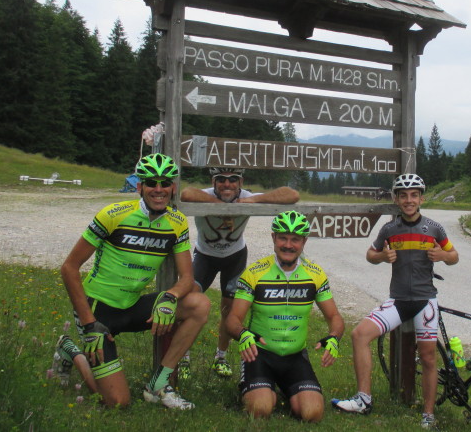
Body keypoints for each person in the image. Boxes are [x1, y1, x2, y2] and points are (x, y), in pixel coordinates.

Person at [54, 153, 210, 409]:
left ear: (173, 187)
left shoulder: (177, 222)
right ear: (140, 187)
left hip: (132, 306)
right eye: (151, 183)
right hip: (98, 310)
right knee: (117, 402)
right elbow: (69, 268)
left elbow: (187, 278)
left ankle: (158, 384)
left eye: (165, 183)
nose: (158, 189)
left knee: (199, 304)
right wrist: (89, 324)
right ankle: (71, 350)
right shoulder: (113, 215)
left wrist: (169, 298)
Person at [331, 173, 459, 429]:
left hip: (425, 301)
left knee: (428, 357)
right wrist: (382, 257)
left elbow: (454, 255)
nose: (409, 200)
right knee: (359, 335)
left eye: (414, 195)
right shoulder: (390, 229)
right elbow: (371, 254)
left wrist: (443, 256)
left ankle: (428, 414)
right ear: (396, 200)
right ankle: (363, 399)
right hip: (398, 301)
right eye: (403, 196)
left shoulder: (434, 228)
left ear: (421, 199)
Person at [226, 210, 344, 422]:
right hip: (259, 355)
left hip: (295, 357)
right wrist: (242, 334)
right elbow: (233, 319)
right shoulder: (255, 273)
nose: (288, 245)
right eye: (283, 238)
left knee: (312, 414)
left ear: (304, 241)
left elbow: (334, 315)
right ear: (273, 238)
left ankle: (283, 389)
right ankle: (262, 389)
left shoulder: (315, 274)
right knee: (260, 409)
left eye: (295, 239)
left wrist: (334, 336)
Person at [180, 168, 299, 378]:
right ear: (213, 182)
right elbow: (186, 193)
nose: (227, 184)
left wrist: (251, 201)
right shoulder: (206, 194)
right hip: (205, 256)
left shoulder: (246, 196)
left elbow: (292, 195)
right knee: (189, 302)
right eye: (221, 180)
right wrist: (223, 207)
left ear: (241, 182)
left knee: (229, 310)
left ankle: (221, 357)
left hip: (234, 256)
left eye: (233, 180)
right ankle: (183, 358)